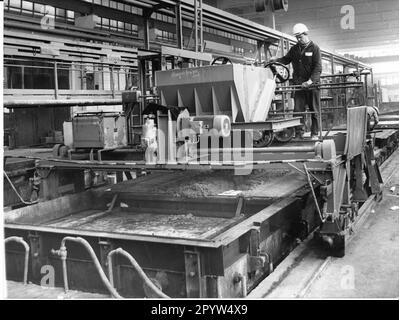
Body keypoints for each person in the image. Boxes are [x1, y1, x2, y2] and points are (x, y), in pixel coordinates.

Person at [270, 23, 322, 139]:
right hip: (299, 85)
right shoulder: (294, 49)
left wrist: (310, 81)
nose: (299, 39)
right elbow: (286, 59)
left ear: (306, 34)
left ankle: (314, 134)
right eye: (297, 37)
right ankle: (299, 134)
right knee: (298, 110)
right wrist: (276, 60)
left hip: (312, 86)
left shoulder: (315, 48)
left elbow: (318, 68)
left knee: (314, 110)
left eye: (300, 37)